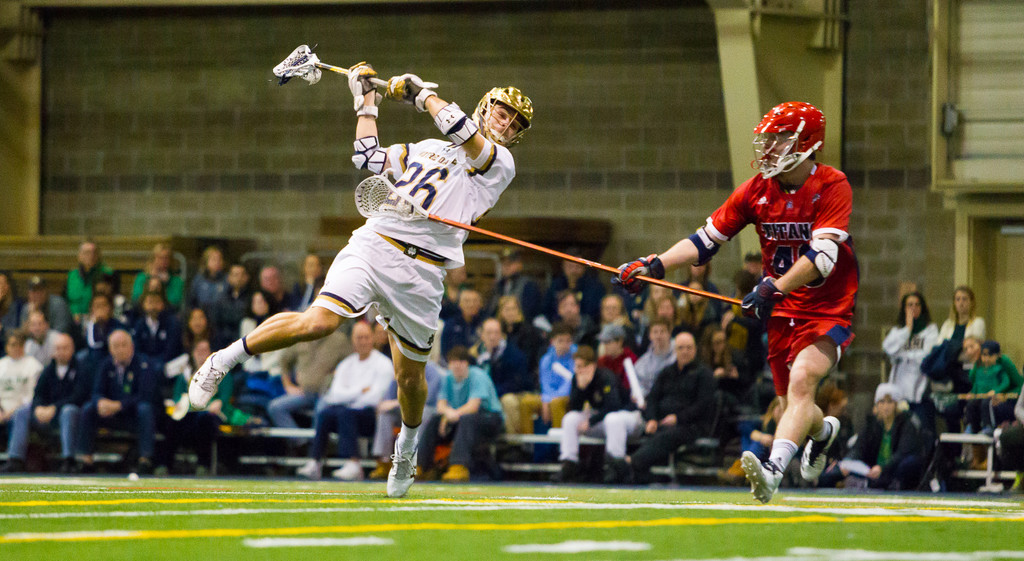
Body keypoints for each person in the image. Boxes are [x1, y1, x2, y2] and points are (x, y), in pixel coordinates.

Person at [188, 66, 532, 499]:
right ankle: (223, 360)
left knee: (409, 379)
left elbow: (457, 126)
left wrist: (421, 94)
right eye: (502, 114)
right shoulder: (426, 147)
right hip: (376, 242)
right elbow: (368, 159)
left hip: (423, 273)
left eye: (513, 123)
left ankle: (406, 446)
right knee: (319, 322)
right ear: (487, 107)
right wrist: (365, 101)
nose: (505, 124)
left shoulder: (500, 163)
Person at [614, 102, 857, 503]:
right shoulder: (756, 190)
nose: (770, 147)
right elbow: (703, 241)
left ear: (805, 143)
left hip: (824, 306)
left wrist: (774, 285)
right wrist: (653, 265)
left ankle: (773, 473)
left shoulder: (832, 185)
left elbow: (822, 260)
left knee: (800, 384)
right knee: (794, 405)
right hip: (780, 308)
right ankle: (824, 431)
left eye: (780, 139)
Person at [296, 321, 393, 480]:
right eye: (358, 338)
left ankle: (353, 463)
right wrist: (360, 390)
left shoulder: (384, 364)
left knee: (346, 413)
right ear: (352, 341)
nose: (363, 341)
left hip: (372, 418)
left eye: (366, 337)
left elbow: (375, 398)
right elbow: (334, 395)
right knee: (325, 413)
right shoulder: (346, 364)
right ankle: (315, 462)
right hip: (346, 413)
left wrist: (349, 395)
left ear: (372, 338)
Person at [620, 331, 716, 484]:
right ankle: (642, 474)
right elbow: (653, 398)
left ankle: (631, 462)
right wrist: (651, 418)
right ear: (675, 350)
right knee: (653, 431)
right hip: (662, 422)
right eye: (681, 348)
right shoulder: (667, 372)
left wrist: (678, 418)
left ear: (695, 349)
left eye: (689, 348)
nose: (685, 351)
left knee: (668, 435)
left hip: (691, 425)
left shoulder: (704, 374)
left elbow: (703, 405)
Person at [1, 333, 88, 474]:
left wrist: (55, 408)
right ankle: (15, 459)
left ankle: (68, 460)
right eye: (58, 348)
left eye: (65, 348)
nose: (61, 352)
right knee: (22, 412)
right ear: (53, 351)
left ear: (72, 349)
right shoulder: (48, 370)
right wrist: (38, 408)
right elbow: (38, 394)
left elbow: (79, 396)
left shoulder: (80, 368)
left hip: (67, 415)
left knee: (69, 411)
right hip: (46, 415)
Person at [78, 330, 160, 474]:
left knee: (145, 409)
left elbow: (145, 395)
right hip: (110, 415)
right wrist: (100, 402)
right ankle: (85, 459)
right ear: (110, 349)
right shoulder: (105, 365)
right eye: (116, 346)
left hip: (132, 415)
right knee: (88, 408)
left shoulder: (144, 364)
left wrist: (119, 405)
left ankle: (145, 459)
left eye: (124, 345)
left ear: (132, 346)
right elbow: (96, 392)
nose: (120, 349)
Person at [817, 383, 927, 491]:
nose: (885, 407)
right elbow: (859, 447)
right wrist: (848, 461)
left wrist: (882, 468)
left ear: (896, 405)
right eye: (882, 402)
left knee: (908, 464)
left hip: (892, 470)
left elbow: (902, 452)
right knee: (833, 473)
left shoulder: (906, 424)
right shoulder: (872, 424)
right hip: (871, 469)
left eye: (890, 402)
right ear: (876, 405)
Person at [418, 346, 504, 482]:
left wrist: (452, 415)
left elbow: (473, 406)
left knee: (467, 419)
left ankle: (458, 466)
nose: (457, 365)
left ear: (467, 363)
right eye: (454, 362)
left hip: (490, 419)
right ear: (449, 363)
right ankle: (421, 466)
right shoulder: (447, 378)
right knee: (435, 420)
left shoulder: (478, 375)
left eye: (461, 361)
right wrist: (447, 415)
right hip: (463, 418)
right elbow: (441, 405)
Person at [556, 346, 634, 483]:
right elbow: (574, 407)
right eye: (576, 366)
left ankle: (615, 463)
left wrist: (591, 421)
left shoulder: (606, 376)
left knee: (612, 419)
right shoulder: (577, 378)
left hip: (623, 416)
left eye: (580, 366)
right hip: (600, 419)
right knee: (570, 419)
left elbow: (613, 405)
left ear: (591, 366)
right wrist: (581, 389)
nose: (578, 370)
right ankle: (569, 463)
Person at [369, 361, 443, 479]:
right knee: (385, 414)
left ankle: (415, 462)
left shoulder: (432, 372)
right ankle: (384, 461)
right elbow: (388, 398)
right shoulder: (400, 369)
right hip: (403, 408)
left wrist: (397, 402)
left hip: (425, 408)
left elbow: (426, 397)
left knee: (422, 413)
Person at [882, 291, 939, 430]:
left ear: (922, 307)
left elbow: (926, 356)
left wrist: (902, 356)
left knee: (922, 429)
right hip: (900, 389)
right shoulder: (898, 330)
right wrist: (907, 329)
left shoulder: (930, 329)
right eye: (909, 305)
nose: (913, 308)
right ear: (904, 308)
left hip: (921, 389)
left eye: (917, 304)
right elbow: (888, 348)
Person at [474, 317, 537, 435]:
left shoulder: (513, 354)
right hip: (485, 394)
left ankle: (512, 443)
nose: (492, 337)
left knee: (508, 401)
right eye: (489, 333)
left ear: (502, 335)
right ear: (482, 335)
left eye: (496, 332)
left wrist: (493, 393)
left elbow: (518, 382)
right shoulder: (477, 355)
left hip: (513, 393)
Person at [0, 331, 45, 471]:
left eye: (19, 345)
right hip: (2, 409)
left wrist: (10, 412)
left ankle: (15, 459)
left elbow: (32, 396)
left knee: (21, 414)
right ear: (7, 347)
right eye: (12, 345)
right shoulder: (1, 365)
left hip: (22, 409)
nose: (16, 348)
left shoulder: (34, 366)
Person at [964, 340, 1022, 435]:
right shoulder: (982, 367)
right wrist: (973, 393)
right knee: (972, 404)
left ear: (998, 355)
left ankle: (989, 426)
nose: (986, 359)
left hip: (1011, 399)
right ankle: (971, 427)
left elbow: (1011, 384)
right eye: (984, 355)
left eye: (990, 355)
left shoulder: (1003, 364)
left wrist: (1003, 395)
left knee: (988, 404)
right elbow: (975, 381)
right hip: (987, 398)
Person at [486, 247, 542, 322]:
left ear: (519, 265)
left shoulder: (528, 285)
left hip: (521, 327)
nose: (506, 266)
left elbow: (529, 313)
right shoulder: (499, 285)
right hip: (499, 327)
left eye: (510, 263)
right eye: (503, 263)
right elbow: (490, 310)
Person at [543, 257, 606, 324]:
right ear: (563, 267)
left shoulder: (595, 287)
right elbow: (546, 310)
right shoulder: (555, 285)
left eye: (577, 267)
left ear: (584, 267)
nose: (573, 270)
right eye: (570, 266)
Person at [537, 322, 577, 428]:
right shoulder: (546, 359)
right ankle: (527, 444)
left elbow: (570, 383)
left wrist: (552, 398)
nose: (565, 344)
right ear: (552, 342)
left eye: (568, 341)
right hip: (551, 396)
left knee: (556, 403)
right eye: (560, 341)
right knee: (526, 403)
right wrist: (546, 399)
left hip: (571, 396)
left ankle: (560, 442)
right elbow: (545, 384)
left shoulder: (576, 357)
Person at [131, 290, 184, 365]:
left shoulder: (172, 323)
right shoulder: (139, 324)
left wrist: (157, 365)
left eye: (157, 302)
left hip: (167, 366)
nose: (153, 306)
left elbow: (171, 349)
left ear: (163, 304)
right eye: (150, 302)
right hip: (144, 366)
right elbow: (136, 349)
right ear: (143, 305)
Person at [66, 239, 114, 321]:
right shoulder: (71, 275)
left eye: (94, 253)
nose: (91, 256)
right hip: (73, 319)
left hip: (97, 318)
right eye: (87, 253)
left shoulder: (107, 274)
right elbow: (66, 300)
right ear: (79, 256)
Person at [130, 243, 184, 311]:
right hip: (143, 313)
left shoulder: (176, 280)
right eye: (160, 258)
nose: (163, 261)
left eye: (166, 258)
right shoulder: (141, 277)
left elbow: (175, 303)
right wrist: (150, 281)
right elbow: (135, 300)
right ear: (153, 259)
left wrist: (165, 285)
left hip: (167, 314)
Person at [632, 318, 676, 400]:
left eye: (662, 331)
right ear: (650, 336)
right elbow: (638, 386)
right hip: (648, 402)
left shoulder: (677, 357)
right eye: (655, 332)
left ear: (669, 334)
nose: (659, 336)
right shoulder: (642, 363)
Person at [210, 263, 251, 347]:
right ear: (229, 277)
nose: (239, 278)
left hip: (245, 340)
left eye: (242, 275)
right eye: (236, 275)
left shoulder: (252, 298)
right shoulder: (220, 298)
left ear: (247, 277)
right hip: (224, 341)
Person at [440, 288, 484, 361]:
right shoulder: (450, 325)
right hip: (455, 365)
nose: (471, 304)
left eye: (475, 301)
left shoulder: (485, 324)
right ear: (460, 304)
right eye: (467, 301)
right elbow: (445, 352)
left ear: (480, 304)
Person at [188, 246, 229, 311]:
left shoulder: (228, 279)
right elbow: (191, 301)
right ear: (206, 261)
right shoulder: (198, 279)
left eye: (220, 259)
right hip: (201, 316)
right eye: (214, 259)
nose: (217, 262)